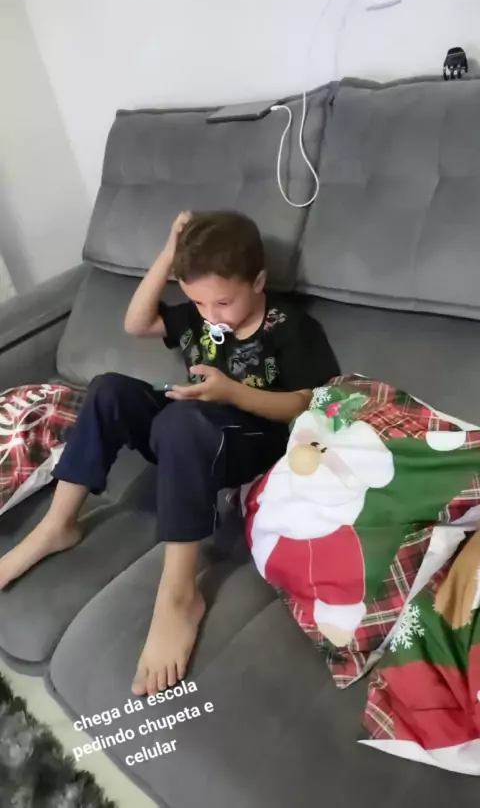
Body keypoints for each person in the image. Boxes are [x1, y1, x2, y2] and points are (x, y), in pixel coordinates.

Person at [0, 211, 340, 695]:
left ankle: (180, 595)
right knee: (108, 389)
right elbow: (136, 322)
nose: (211, 315)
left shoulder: (289, 328)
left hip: (252, 442)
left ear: (259, 282)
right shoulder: (200, 317)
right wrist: (168, 254)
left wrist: (232, 392)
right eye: (199, 301)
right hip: (187, 431)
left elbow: (308, 403)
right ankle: (57, 526)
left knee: (183, 419)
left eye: (224, 302)